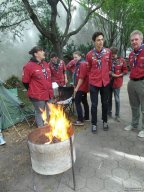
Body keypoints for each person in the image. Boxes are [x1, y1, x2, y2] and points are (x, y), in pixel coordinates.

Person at [86, 32, 111, 133]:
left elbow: (109, 65)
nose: (101, 42)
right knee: (94, 105)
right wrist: (93, 77)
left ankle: (105, 121)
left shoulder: (108, 52)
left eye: (102, 39)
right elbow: (88, 69)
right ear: (94, 42)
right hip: (94, 83)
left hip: (105, 83)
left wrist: (105, 75)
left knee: (105, 103)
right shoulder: (89, 55)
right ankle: (94, 123)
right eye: (98, 40)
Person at [22, 46, 53, 127]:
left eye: (43, 50)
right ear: (35, 54)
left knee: (50, 111)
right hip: (37, 95)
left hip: (49, 93)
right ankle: (41, 130)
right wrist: (34, 90)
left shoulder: (45, 64)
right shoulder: (28, 66)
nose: (43, 52)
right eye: (41, 51)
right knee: (40, 112)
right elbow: (25, 82)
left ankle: (50, 128)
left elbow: (48, 78)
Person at [124, 30, 144, 138]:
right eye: (132, 40)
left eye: (136, 39)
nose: (134, 42)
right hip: (132, 82)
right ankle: (134, 124)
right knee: (134, 106)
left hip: (142, 82)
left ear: (141, 39)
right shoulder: (131, 54)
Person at [108, 47, 128, 122]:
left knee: (117, 99)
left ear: (117, 54)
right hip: (109, 82)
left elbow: (125, 71)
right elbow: (105, 69)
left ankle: (117, 115)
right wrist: (109, 72)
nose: (112, 57)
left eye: (114, 55)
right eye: (111, 55)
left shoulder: (122, 60)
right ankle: (108, 113)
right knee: (108, 98)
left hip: (117, 82)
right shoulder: (108, 61)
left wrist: (119, 75)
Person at [72, 51, 89, 126]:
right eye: (74, 57)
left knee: (77, 102)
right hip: (82, 86)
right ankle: (87, 117)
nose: (74, 59)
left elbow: (81, 77)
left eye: (76, 57)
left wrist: (77, 88)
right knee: (84, 101)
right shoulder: (79, 64)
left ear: (80, 56)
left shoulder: (82, 64)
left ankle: (80, 120)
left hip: (82, 87)